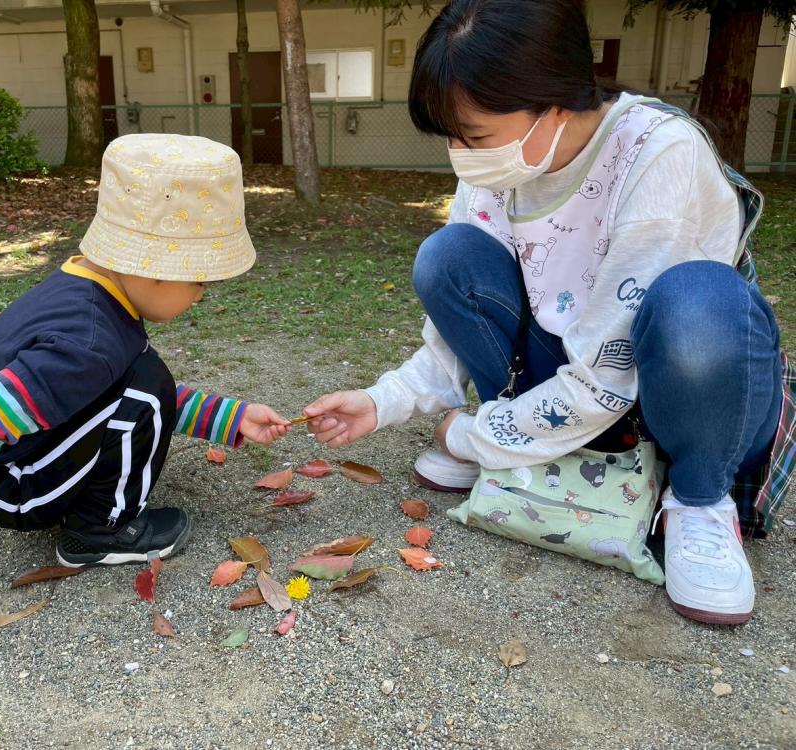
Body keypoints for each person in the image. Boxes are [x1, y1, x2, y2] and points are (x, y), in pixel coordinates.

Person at [304, 0, 793, 625]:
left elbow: (609, 375)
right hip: (573, 378)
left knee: (701, 301)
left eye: (473, 134)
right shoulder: (505, 157)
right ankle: (532, 442)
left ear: (555, 103)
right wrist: (382, 401)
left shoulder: (659, 155)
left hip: (675, 391)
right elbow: (456, 327)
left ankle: (699, 499)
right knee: (447, 255)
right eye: (452, 134)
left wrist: (474, 438)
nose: (461, 152)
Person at [0, 133, 291, 577]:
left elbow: (111, 390)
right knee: (145, 391)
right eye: (200, 283)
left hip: (18, 466)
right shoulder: (91, 342)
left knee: (144, 380)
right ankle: (99, 532)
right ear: (155, 269)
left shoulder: (85, 291)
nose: (200, 297)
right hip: (16, 490)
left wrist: (231, 417)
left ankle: (88, 503)